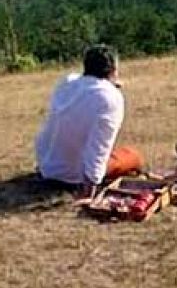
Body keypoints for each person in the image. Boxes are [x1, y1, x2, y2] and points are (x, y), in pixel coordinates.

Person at [34, 44, 145, 190]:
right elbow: (99, 147)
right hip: (74, 175)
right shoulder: (111, 98)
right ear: (113, 69)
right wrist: (91, 185)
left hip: (47, 165)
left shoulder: (67, 82)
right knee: (134, 157)